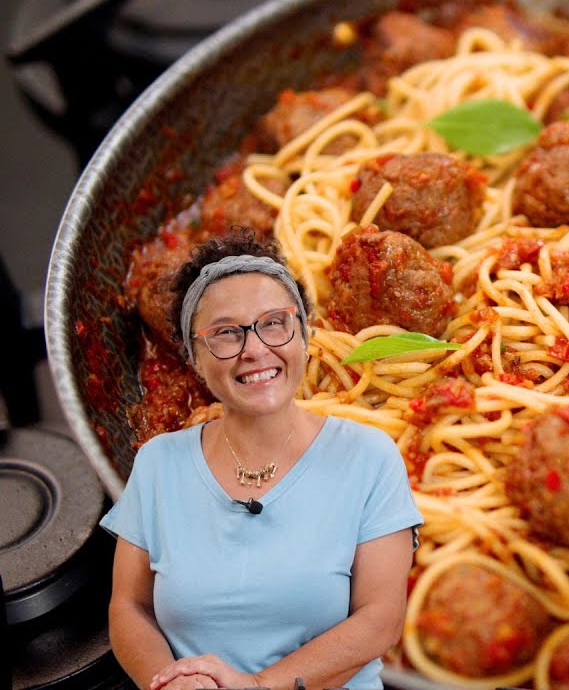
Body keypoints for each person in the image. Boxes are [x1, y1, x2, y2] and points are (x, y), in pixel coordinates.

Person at [100, 230, 423, 690]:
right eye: (225, 333)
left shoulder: (370, 456)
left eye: (274, 323)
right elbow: (128, 608)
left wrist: (255, 687)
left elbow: (381, 621)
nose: (255, 349)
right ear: (194, 357)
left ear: (304, 334)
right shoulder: (157, 463)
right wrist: (170, 683)